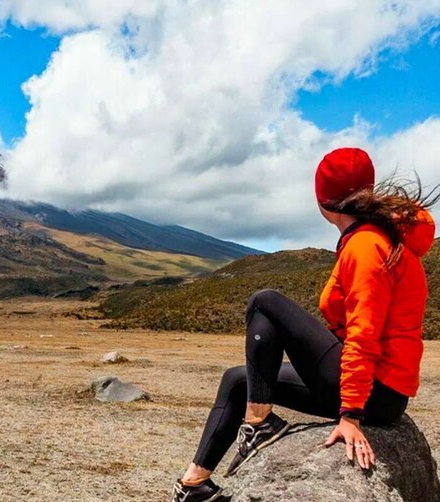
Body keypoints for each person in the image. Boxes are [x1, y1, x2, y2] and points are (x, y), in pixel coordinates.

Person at [171, 147, 437, 502]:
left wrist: (351, 416)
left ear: (323, 201)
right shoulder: (374, 240)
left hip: (376, 392)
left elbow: (364, 336)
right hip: (373, 388)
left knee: (265, 301)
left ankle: (259, 425)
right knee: (238, 380)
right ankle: (194, 485)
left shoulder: (366, 247)